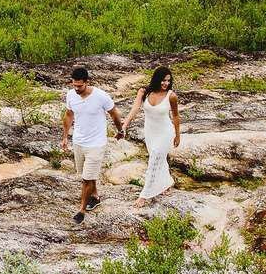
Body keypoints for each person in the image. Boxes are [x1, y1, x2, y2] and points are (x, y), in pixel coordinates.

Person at [60, 66, 124, 224]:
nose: (76, 88)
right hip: (79, 141)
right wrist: (65, 137)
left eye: (79, 86)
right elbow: (69, 115)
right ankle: (95, 197)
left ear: (87, 82)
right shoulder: (71, 95)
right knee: (85, 174)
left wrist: (120, 130)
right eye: (74, 85)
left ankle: (81, 210)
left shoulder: (101, 96)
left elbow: (114, 113)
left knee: (86, 179)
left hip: (96, 143)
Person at [123, 66, 181, 207]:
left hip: (165, 132)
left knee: (155, 158)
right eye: (163, 80)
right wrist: (125, 125)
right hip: (150, 132)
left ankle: (144, 195)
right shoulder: (144, 92)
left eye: (168, 80)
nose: (166, 83)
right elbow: (135, 109)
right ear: (156, 79)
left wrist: (177, 135)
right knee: (158, 159)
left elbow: (176, 116)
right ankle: (167, 183)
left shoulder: (171, 96)